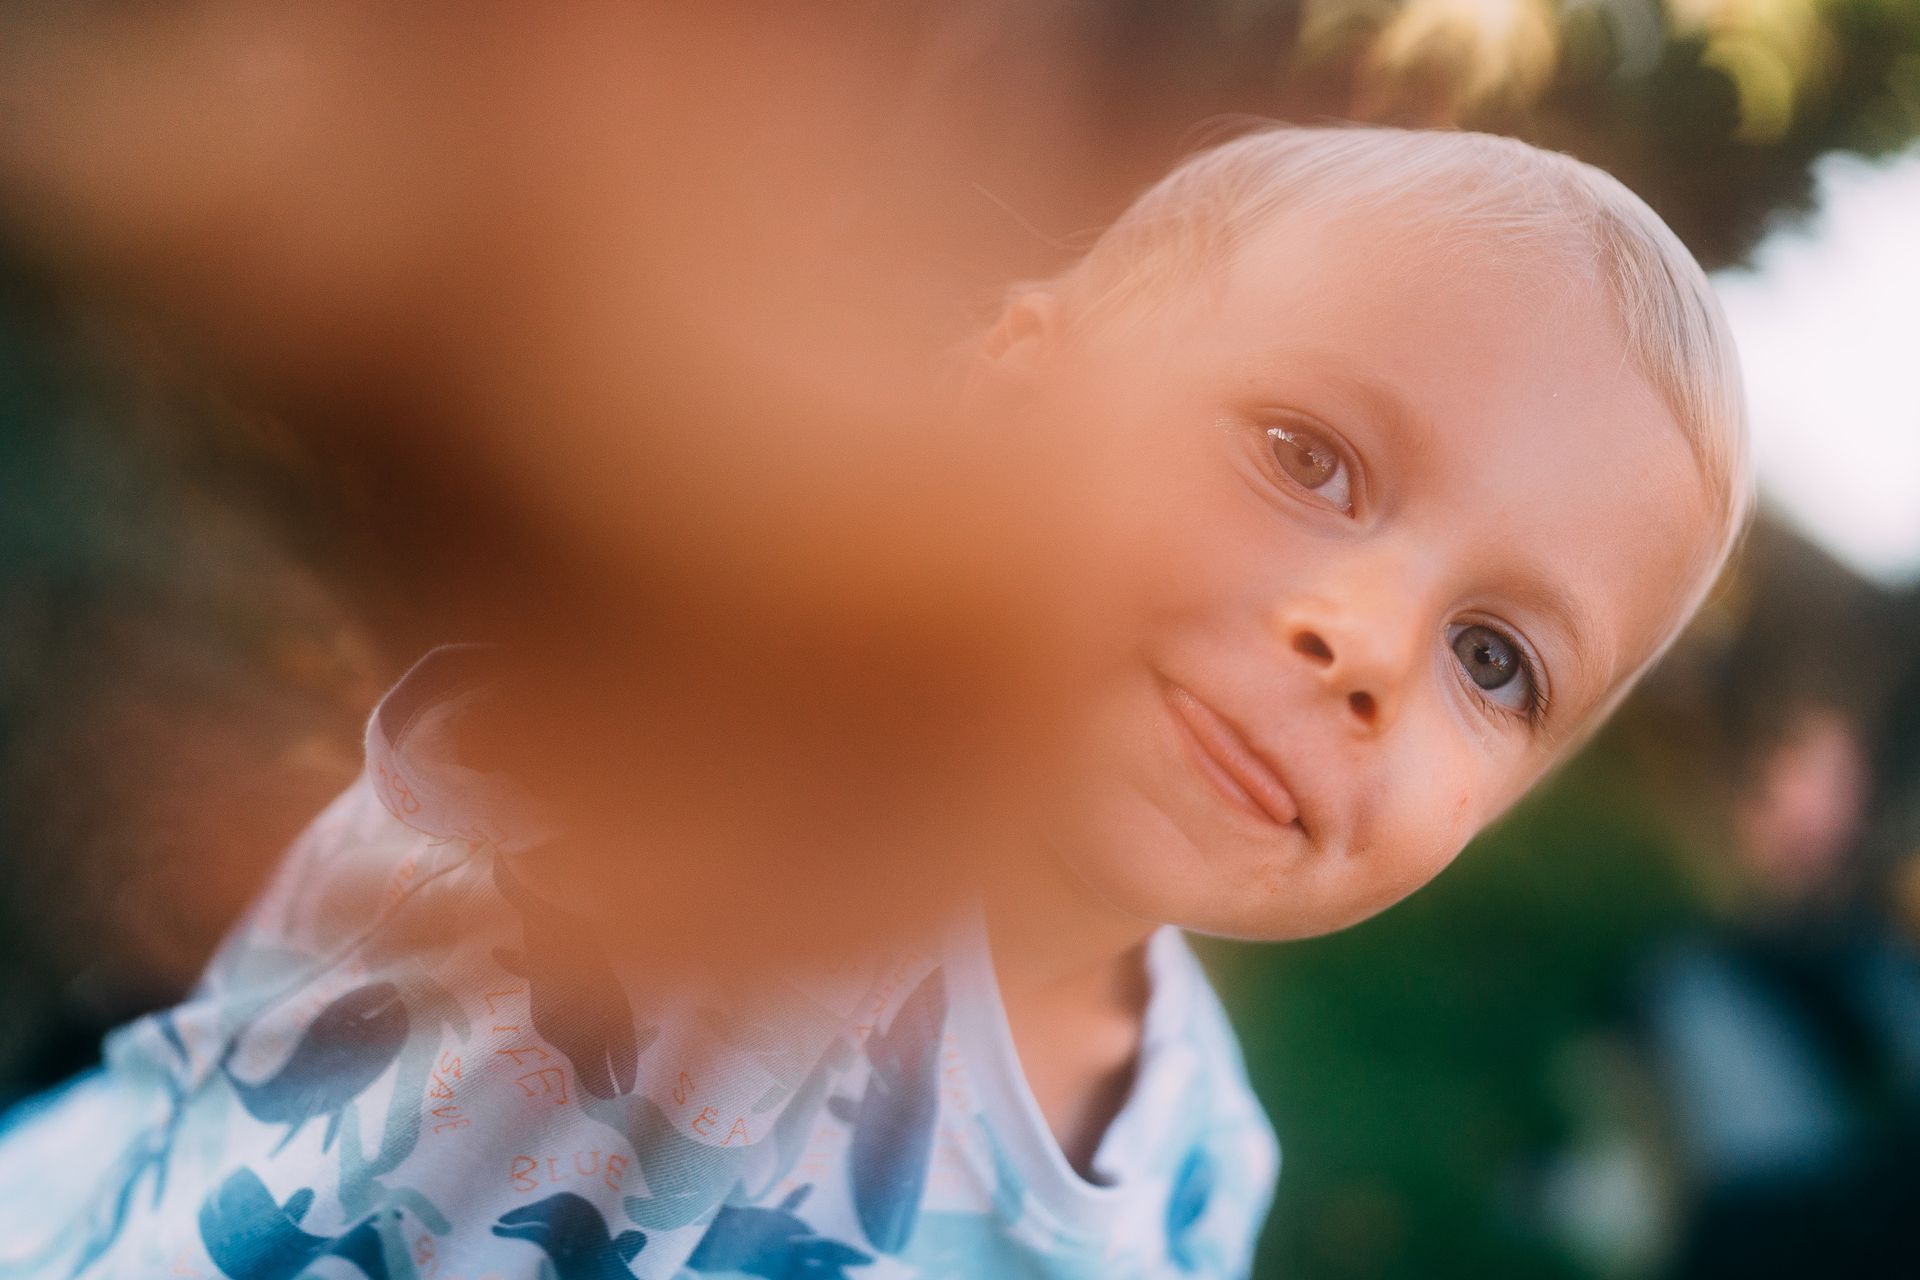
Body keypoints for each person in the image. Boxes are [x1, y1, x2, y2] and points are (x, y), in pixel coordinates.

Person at [0, 124, 1750, 1278]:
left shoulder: (1204, 1170)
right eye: (1308, 455)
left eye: (1496, 660)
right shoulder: (736, 809)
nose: (1368, 643)